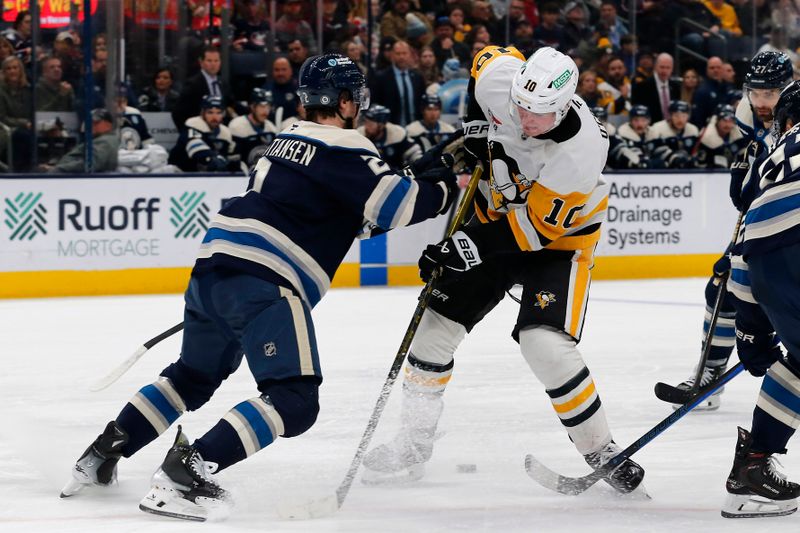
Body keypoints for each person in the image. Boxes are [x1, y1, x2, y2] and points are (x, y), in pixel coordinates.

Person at [60, 53, 456, 522]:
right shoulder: (346, 145)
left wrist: (426, 169)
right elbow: (396, 205)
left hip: (212, 271)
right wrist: (447, 183)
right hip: (264, 281)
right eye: (355, 95)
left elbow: (349, 218)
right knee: (295, 398)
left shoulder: (283, 141)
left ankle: (101, 454)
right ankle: (187, 471)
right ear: (344, 100)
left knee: (192, 376)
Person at [362, 45, 646, 494]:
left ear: (564, 107)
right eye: (519, 107)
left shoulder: (581, 151)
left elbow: (532, 231)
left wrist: (463, 246)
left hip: (558, 244)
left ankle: (601, 448)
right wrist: (477, 126)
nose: (524, 121)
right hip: (494, 216)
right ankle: (414, 443)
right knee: (433, 332)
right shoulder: (502, 81)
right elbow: (485, 61)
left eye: (538, 116)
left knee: (544, 345)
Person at [665, 50, 793, 409]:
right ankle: (710, 373)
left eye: (770, 93)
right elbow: (760, 160)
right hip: (772, 219)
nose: (762, 102)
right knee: (721, 285)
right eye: (756, 92)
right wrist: (749, 171)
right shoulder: (747, 114)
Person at [721, 80, 800, 519]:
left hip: (765, 249)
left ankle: (754, 467)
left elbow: (749, 240)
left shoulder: (773, 155)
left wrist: (751, 327)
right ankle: (752, 468)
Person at [168, 95, 239, 172]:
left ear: (223, 114)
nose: (214, 117)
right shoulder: (193, 125)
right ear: (203, 113)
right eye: (210, 112)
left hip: (206, 176)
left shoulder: (225, 132)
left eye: (218, 113)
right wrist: (217, 159)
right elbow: (199, 152)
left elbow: (232, 157)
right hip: (179, 173)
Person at [171, 47, 232, 130]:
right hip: (199, 132)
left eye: (216, 61)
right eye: (209, 61)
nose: (213, 64)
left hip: (221, 131)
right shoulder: (193, 84)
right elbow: (177, 113)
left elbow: (231, 104)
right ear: (201, 62)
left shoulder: (222, 83)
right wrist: (188, 133)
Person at [42, 108, 119, 173]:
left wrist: (59, 169)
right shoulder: (99, 139)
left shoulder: (105, 141)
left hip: (73, 180)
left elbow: (90, 165)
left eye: (96, 123)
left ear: (108, 125)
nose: (91, 125)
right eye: (90, 122)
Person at [369, 40, 425, 127]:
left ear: (410, 55)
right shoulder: (381, 78)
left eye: (404, 53)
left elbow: (421, 103)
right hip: (391, 128)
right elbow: (375, 103)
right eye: (398, 54)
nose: (401, 57)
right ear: (392, 55)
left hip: (416, 127)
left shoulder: (417, 77)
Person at [357, 104, 421, 169]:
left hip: (397, 174)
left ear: (381, 125)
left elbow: (414, 153)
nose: (366, 126)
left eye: (370, 124)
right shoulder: (359, 135)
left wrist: (418, 166)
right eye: (366, 122)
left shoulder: (397, 133)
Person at [229, 87, 278, 167]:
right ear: (252, 106)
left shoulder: (271, 127)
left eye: (268, 106)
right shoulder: (237, 125)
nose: (266, 111)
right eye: (262, 106)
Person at [646, 100, 699, 169]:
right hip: (663, 171)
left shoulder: (693, 129)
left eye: (684, 116)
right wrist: (675, 159)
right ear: (670, 116)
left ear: (688, 117)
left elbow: (695, 152)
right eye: (676, 116)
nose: (680, 120)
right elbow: (654, 153)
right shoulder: (657, 128)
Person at [632, 53, 681, 123]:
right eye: (662, 67)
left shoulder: (675, 87)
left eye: (668, 68)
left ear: (672, 69)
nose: (664, 71)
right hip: (651, 128)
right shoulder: (642, 86)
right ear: (655, 67)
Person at [695, 104, 746, 169]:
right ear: (717, 120)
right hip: (708, 173)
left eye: (731, 121)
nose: (727, 124)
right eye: (724, 120)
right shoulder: (706, 137)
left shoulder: (739, 136)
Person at [608, 105, 652, 169]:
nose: (640, 124)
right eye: (636, 120)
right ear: (630, 121)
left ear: (649, 121)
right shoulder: (622, 136)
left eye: (643, 120)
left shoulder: (653, 133)